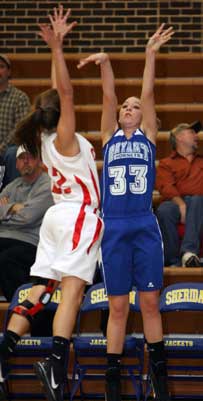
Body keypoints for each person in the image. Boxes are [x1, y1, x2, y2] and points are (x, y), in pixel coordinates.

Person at [0, 6, 103, 401]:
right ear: (61, 116)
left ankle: (5, 348)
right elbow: (65, 91)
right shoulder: (64, 137)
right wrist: (57, 48)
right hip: (77, 214)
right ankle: (57, 365)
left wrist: (53, 56)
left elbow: (55, 94)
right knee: (72, 293)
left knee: (42, 289)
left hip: (56, 219)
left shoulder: (42, 140)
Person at [78, 24, 174, 401]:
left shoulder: (149, 137)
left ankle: (160, 376)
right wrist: (105, 63)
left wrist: (150, 53)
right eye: (126, 106)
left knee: (149, 302)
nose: (131, 107)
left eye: (136, 106)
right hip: (114, 227)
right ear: (119, 116)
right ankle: (112, 380)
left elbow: (148, 92)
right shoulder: (109, 137)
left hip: (143, 225)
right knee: (118, 306)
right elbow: (108, 93)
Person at [0, 145, 54, 301]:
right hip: (5, 238)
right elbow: (25, 215)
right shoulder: (12, 186)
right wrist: (15, 208)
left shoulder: (47, 184)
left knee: (6, 259)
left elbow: (28, 217)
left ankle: (20, 306)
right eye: (22, 158)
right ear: (16, 164)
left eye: (30, 157)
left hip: (31, 243)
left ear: (39, 161)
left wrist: (5, 210)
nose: (26, 161)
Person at [156, 121, 203, 267]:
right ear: (179, 137)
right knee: (164, 210)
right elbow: (165, 186)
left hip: (200, 202)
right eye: (192, 133)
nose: (197, 136)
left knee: (197, 200)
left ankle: (189, 253)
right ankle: (172, 261)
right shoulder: (166, 163)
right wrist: (181, 204)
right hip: (176, 202)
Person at [0, 54, 31, 187]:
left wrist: (1, 148)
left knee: (13, 153)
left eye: (1, 67)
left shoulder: (20, 98)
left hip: (8, 150)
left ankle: (12, 198)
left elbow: (20, 129)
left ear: (9, 72)